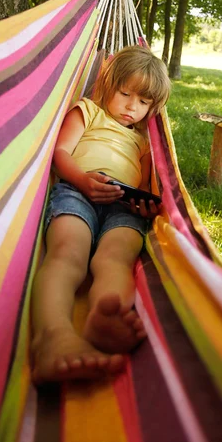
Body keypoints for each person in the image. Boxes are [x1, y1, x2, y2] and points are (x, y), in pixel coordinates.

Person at [31, 45, 171, 384]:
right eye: (125, 93)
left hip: (124, 207)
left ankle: (105, 318)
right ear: (109, 85)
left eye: (143, 102)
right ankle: (52, 336)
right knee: (67, 255)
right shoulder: (89, 112)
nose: (131, 107)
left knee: (115, 260)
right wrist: (82, 180)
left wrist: (147, 206)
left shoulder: (142, 142)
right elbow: (61, 152)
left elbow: (149, 182)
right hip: (76, 192)